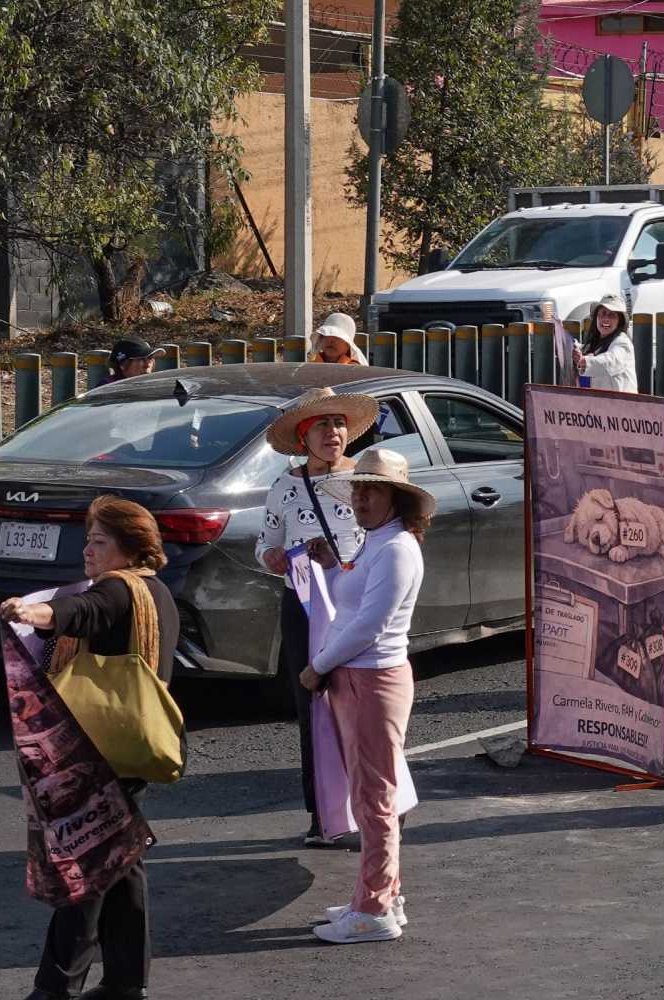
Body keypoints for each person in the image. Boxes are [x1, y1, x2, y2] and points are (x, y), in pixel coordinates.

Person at [1, 497, 179, 1000]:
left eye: (99, 541)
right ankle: (125, 981)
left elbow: (81, 611)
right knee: (121, 862)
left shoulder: (119, 591)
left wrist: (33, 611)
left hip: (98, 748)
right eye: (88, 540)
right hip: (134, 744)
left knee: (83, 864)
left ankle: (55, 987)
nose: (88, 550)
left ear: (128, 548)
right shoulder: (157, 593)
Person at [306, 448, 431, 943]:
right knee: (372, 794)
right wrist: (332, 567)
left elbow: (368, 625)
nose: (360, 497)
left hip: (372, 679)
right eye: (358, 488)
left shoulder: (397, 548)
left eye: (372, 489)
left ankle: (374, 907)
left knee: (375, 799)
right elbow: (352, 601)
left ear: (396, 499)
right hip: (362, 677)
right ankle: (380, 895)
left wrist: (317, 667)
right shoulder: (377, 543)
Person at [255, 387, 376, 847]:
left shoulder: (366, 480)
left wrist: (344, 563)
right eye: (322, 425)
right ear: (304, 436)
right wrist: (272, 557)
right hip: (304, 609)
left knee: (364, 708)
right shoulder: (285, 487)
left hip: (357, 608)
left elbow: (381, 542)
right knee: (314, 710)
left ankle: (371, 810)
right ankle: (322, 814)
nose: (334, 433)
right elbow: (265, 541)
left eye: (339, 424)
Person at [574, 293, 637, 393]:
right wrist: (572, 347)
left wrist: (584, 361)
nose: (606, 319)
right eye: (603, 313)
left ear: (620, 321)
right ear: (596, 317)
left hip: (621, 406)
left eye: (612, 315)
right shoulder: (596, 342)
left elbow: (610, 360)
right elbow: (585, 351)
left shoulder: (623, 343)